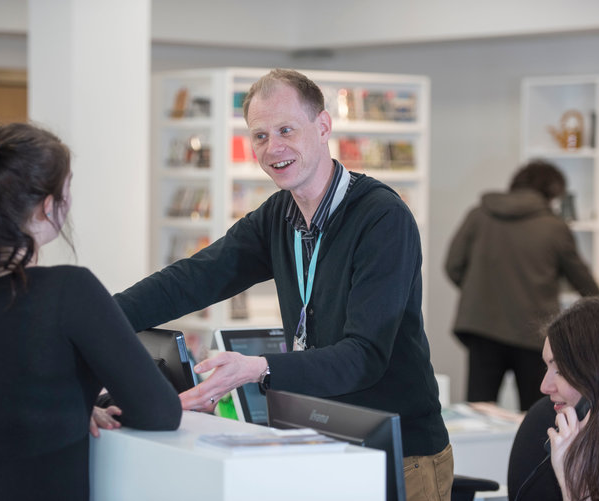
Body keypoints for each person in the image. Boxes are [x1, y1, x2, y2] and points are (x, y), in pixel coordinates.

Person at [114, 68, 452, 500]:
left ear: (324, 126)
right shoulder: (278, 217)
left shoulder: (382, 218)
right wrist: (99, 319)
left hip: (400, 454)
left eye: (286, 130)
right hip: (319, 441)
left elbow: (364, 356)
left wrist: (259, 368)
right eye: (260, 136)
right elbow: (192, 279)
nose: (273, 148)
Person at [0, 123, 182, 501]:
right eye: (68, 186)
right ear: (48, 206)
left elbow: (5, 397)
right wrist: (78, 407)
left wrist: (72, 407)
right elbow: (160, 412)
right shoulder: (69, 290)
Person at [444, 159, 599, 411]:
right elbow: (581, 280)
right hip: (533, 333)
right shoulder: (554, 228)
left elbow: (452, 265)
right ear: (552, 192)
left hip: (481, 327)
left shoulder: (479, 214)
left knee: (478, 412)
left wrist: (479, 291)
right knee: (537, 414)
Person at [510, 296, 599, 501]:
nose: (544, 387)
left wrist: (575, 488)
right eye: (547, 367)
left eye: (560, 370)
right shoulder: (542, 424)